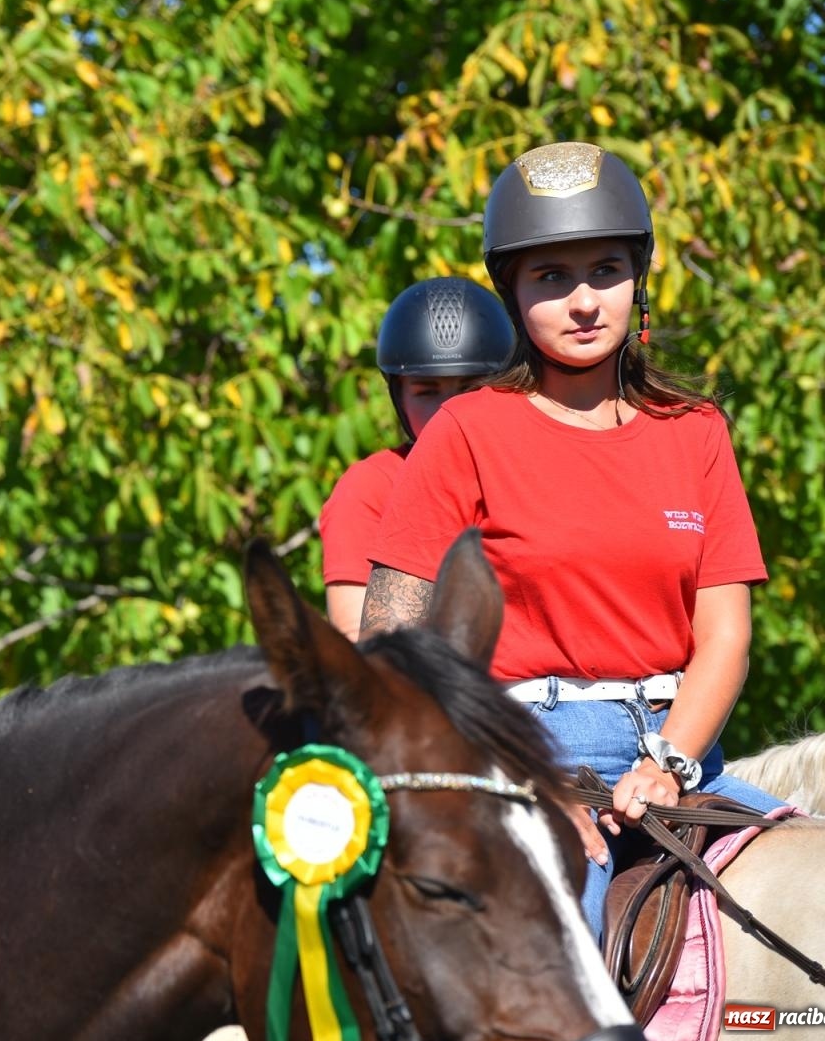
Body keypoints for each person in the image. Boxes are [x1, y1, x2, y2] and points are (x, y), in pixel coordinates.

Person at [359, 141, 784, 939]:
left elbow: (724, 637)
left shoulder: (695, 433)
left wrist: (670, 765)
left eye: (605, 270)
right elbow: (389, 644)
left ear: (638, 279)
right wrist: (512, 777)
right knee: (564, 954)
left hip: (687, 750)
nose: (584, 301)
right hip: (522, 751)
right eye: (551, 278)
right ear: (512, 292)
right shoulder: (465, 433)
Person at [320, 277, 514, 638]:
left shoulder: (527, 470)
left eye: (471, 389)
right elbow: (357, 640)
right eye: (427, 391)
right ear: (398, 396)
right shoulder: (372, 486)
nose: (450, 409)